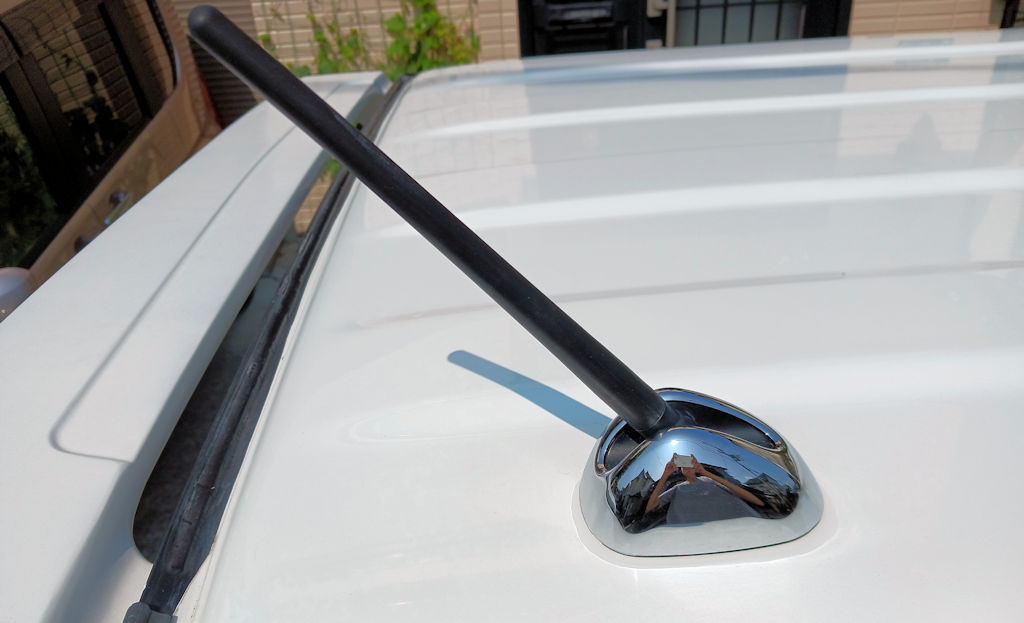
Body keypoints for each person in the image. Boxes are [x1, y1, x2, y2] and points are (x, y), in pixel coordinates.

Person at [644, 454, 764, 525]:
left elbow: (752, 499)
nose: (687, 468)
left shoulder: (710, 481)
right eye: (684, 466)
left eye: (690, 464)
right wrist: (665, 474)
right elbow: (650, 508)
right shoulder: (677, 488)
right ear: (680, 470)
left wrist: (705, 472)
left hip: (730, 526)